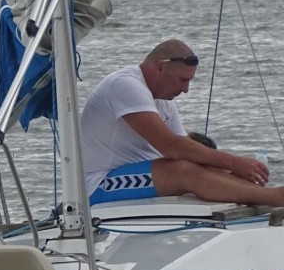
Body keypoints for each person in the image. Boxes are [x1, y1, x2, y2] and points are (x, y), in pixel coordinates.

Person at [80, 39, 284, 205]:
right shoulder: (124, 85)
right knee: (181, 171)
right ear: (160, 67)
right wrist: (236, 162)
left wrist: (230, 172)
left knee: (199, 165)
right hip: (97, 184)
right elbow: (171, 147)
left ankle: (262, 196)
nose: (186, 90)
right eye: (183, 80)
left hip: (137, 174)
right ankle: (274, 198)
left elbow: (186, 146)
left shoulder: (161, 98)